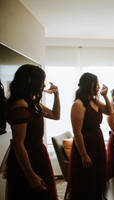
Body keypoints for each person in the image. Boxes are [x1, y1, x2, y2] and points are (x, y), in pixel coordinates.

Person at [67, 73, 114, 200]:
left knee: (99, 176)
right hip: (86, 144)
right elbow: (77, 132)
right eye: (96, 83)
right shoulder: (78, 104)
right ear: (89, 85)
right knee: (86, 179)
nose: (99, 86)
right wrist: (83, 154)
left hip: (97, 141)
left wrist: (105, 96)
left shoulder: (94, 101)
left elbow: (110, 111)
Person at [6, 64, 60, 200]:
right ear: (31, 82)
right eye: (41, 81)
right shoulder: (21, 105)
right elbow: (19, 144)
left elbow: (55, 115)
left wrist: (57, 95)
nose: (43, 85)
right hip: (28, 156)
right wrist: (30, 175)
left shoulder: (34, 103)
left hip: (38, 153)